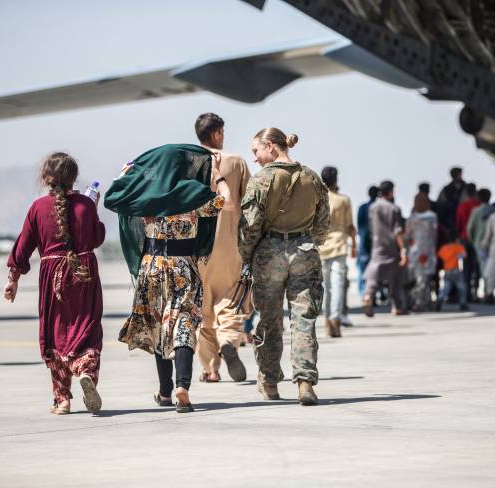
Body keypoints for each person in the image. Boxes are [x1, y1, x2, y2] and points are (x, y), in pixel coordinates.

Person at [105, 144, 229, 413]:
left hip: (151, 268)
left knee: (162, 327)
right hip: (184, 266)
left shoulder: (148, 194)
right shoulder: (194, 193)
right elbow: (225, 201)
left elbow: (111, 198)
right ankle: (182, 386)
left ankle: (164, 392)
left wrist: (127, 174)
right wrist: (218, 175)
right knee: (183, 324)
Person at [3, 152, 104, 414]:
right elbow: (97, 238)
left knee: (57, 333)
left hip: (52, 277)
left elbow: (23, 246)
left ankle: (62, 399)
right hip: (84, 273)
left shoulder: (37, 208)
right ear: (74, 177)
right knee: (87, 328)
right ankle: (85, 372)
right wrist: (94, 207)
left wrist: (12, 280)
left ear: (47, 178)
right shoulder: (85, 204)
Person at [238, 127, 329, 406]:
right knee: (303, 320)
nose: (254, 158)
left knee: (269, 320)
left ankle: (269, 382)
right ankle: (305, 383)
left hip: (269, 254)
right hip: (304, 251)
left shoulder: (261, 180)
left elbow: (249, 227)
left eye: (256, 150)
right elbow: (323, 223)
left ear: (270, 146)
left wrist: (246, 256)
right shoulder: (312, 177)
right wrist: (309, 239)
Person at [193, 113, 252, 383]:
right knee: (232, 301)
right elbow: (251, 203)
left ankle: (210, 369)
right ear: (217, 134)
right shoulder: (237, 162)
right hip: (230, 246)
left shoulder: (187, 163)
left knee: (203, 310)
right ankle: (228, 340)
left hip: (195, 248)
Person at [319, 166, 356, 338]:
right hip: (340, 244)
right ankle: (335, 319)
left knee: (326, 286)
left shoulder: (318, 199)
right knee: (338, 284)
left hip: (320, 246)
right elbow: (350, 227)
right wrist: (354, 245)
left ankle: (328, 320)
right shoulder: (343, 200)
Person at [362, 180, 407, 317]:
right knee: (395, 278)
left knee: (374, 273)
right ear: (391, 191)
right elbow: (397, 231)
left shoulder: (373, 207)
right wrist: (403, 250)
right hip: (392, 247)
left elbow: (370, 227)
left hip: (377, 245)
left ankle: (368, 295)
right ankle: (396, 306)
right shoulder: (394, 208)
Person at [405, 192, 438, 311]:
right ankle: (425, 300)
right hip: (428, 251)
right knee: (425, 278)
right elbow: (434, 234)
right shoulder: (433, 217)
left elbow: (407, 236)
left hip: (415, 251)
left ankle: (418, 301)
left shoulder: (412, 218)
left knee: (417, 278)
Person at [466, 188, 495, 294]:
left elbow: (470, 228)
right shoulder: (494, 210)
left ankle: (488, 291)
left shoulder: (476, 211)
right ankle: (488, 290)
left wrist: (473, 241)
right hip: (492, 243)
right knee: (490, 266)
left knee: (484, 266)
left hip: (479, 243)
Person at [455, 183, 481, 301]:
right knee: (477, 267)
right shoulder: (478, 206)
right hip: (477, 239)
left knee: (466, 268)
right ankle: (475, 290)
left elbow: (458, 224)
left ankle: (467, 293)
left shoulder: (462, 206)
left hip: (465, 239)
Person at [436, 229, 469, 311]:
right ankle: (463, 303)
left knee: (445, 288)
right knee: (461, 288)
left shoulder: (444, 248)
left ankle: (440, 299)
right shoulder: (458, 247)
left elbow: (439, 256)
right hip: (456, 270)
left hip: (447, 270)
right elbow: (464, 255)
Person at [356, 185, 378, 298]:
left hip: (364, 242)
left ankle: (363, 294)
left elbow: (359, 227)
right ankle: (375, 294)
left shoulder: (362, 207)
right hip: (376, 242)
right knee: (375, 269)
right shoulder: (377, 207)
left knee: (362, 268)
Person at [437, 166, 466, 233]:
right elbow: (440, 204)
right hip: (450, 219)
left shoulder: (466, 187)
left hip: (463, 217)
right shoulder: (446, 189)